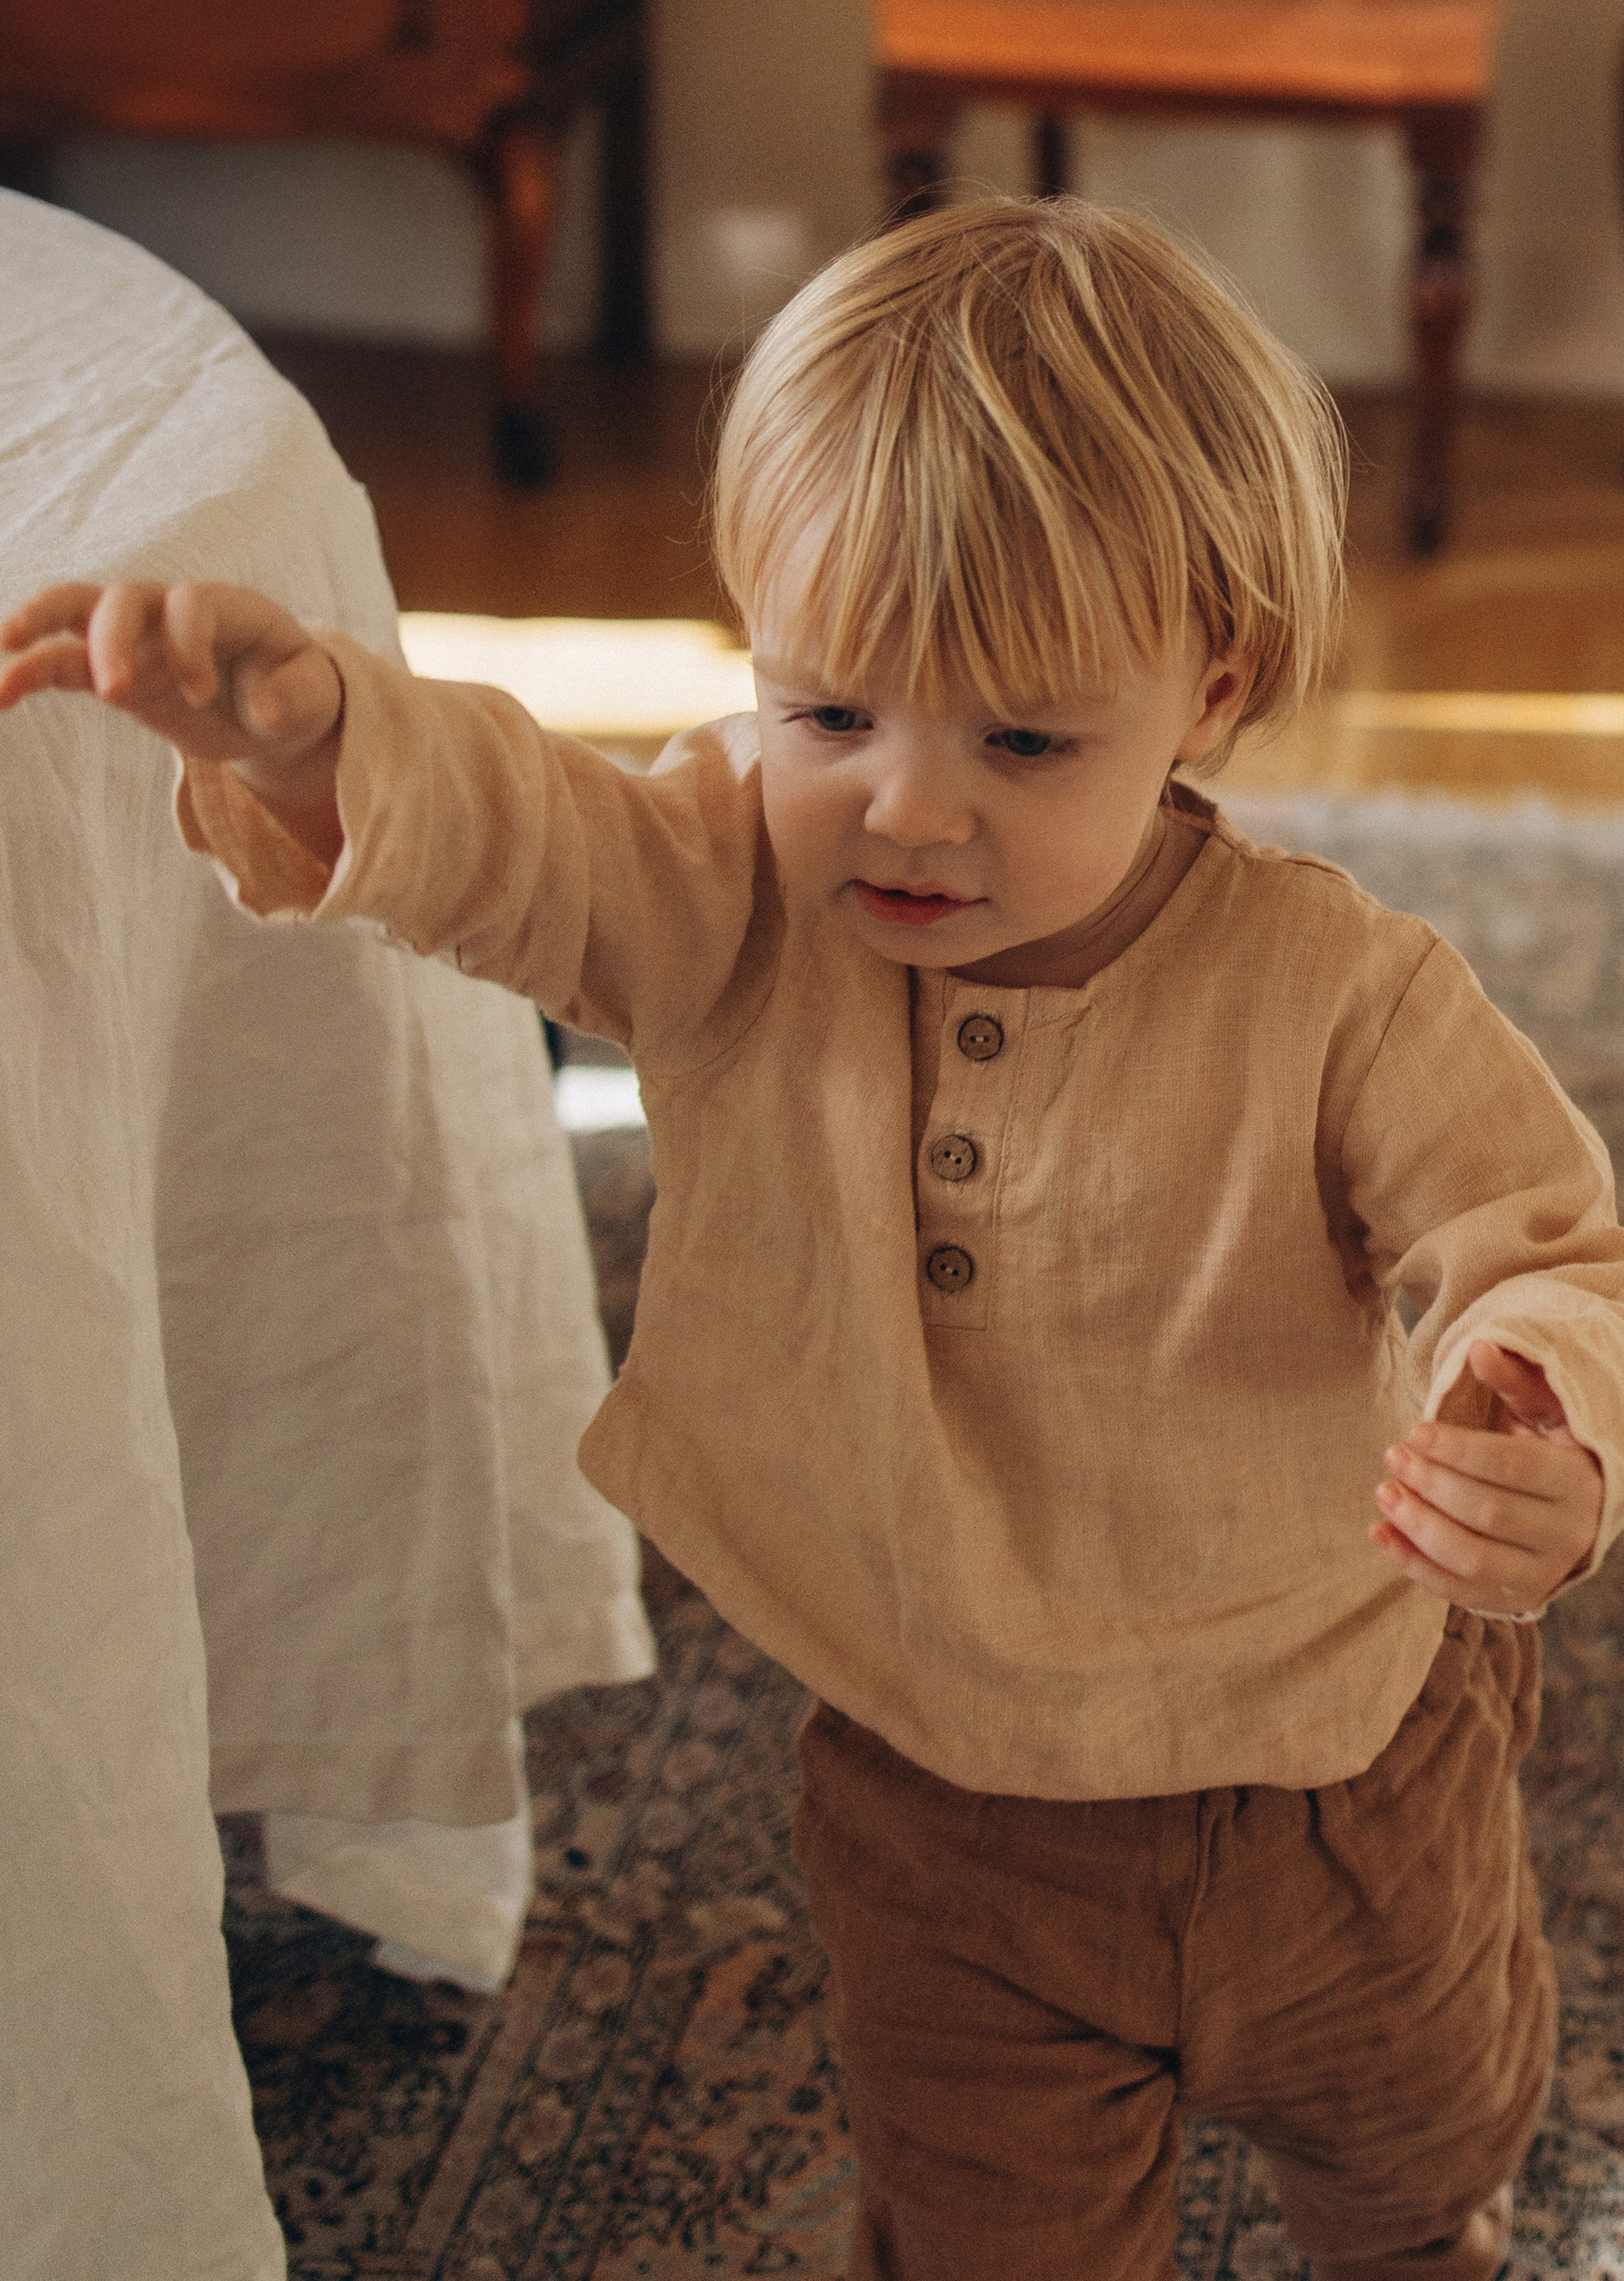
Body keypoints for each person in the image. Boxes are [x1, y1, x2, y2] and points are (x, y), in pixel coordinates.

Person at [4, 199, 1620, 2281]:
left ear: (1210, 690)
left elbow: (1550, 1239)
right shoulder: (727, 894)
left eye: (1024, 741)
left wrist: (1543, 1416)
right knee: (983, 2232)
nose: (906, 812)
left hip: (1344, 1772)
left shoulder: (1344, 992)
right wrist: (324, 737)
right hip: (946, 1794)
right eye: (826, 712)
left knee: (1420, 2151)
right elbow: (525, 838)